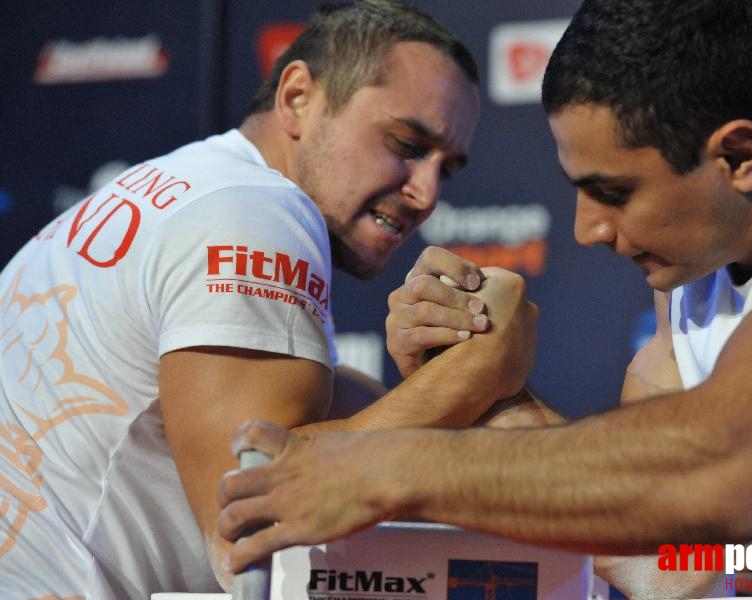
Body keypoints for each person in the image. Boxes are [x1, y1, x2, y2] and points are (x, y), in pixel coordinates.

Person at [217, 1, 752, 598]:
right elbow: (670, 563)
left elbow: (730, 465)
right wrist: (479, 387)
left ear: (739, 156)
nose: (587, 229)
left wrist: (387, 466)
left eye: (613, 192)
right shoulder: (700, 258)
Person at [0, 1, 541, 598]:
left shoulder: (195, 188)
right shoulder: (255, 209)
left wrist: (455, 388)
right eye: (407, 143)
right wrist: (473, 376)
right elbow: (248, 519)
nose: (426, 193)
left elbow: (319, 416)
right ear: (298, 97)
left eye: (449, 168)